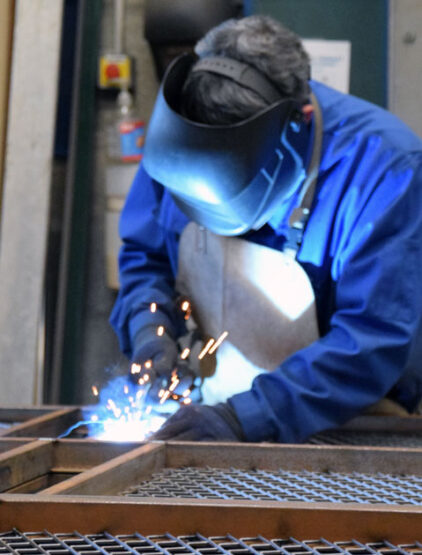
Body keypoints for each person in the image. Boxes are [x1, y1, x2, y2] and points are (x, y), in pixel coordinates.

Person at [110, 15, 422, 443]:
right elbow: (146, 257)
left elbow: (371, 340)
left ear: (298, 124)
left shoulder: (385, 171)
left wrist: (244, 418)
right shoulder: (180, 137)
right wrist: (149, 330)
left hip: (351, 426)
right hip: (214, 415)